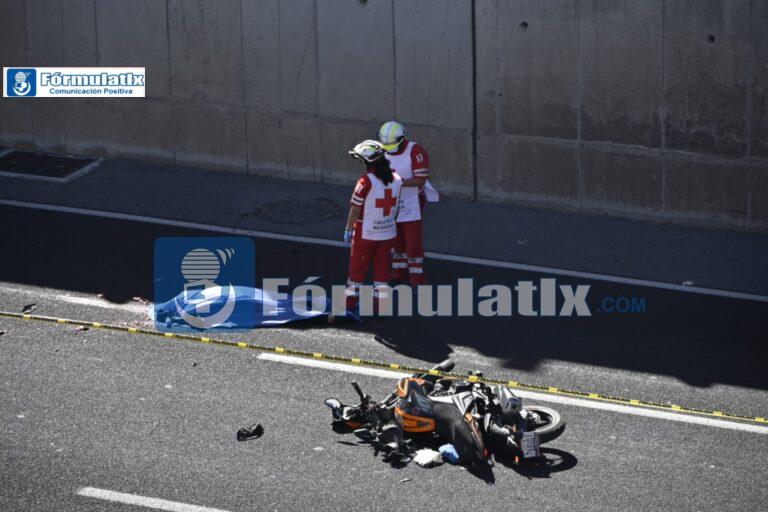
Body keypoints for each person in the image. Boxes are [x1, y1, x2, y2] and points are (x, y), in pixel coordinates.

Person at [344, 140, 403, 311]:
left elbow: (355, 210)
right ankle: (381, 307)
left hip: (365, 234)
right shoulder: (397, 179)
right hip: (388, 234)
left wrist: (348, 228)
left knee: (356, 273)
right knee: (382, 274)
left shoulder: (365, 182)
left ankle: (348, 306)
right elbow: (396, 208)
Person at [378, 121, 438, 286]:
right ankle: (399, 270)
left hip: (411, 204)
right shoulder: (381, 151)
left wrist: (400, 183)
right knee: (395, 240)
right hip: (390, 203)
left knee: (413, 242)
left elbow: (420, 180)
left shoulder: (416, 151)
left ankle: (417, 276)